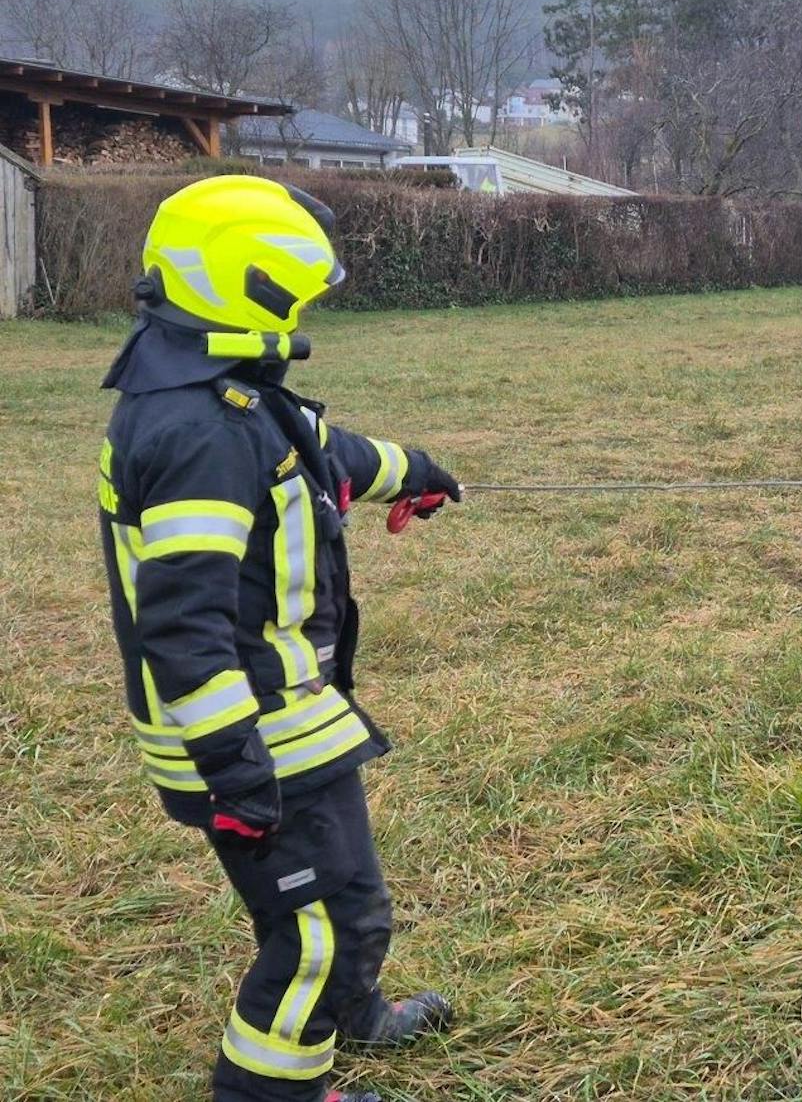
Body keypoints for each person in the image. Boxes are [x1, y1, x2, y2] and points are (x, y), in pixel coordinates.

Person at [97, 175, 463, 1102]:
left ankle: (355, 1019)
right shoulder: (198, 432)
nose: (306, 307)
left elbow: (321, 451)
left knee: (352, 901)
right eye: (298, 289)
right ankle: (271, 1091)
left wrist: (415, 472)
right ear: (252, 282)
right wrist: (236, 768)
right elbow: (180, 626)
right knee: (313, 933)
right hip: (250, 740)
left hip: (294, 720)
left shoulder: (222, 389)